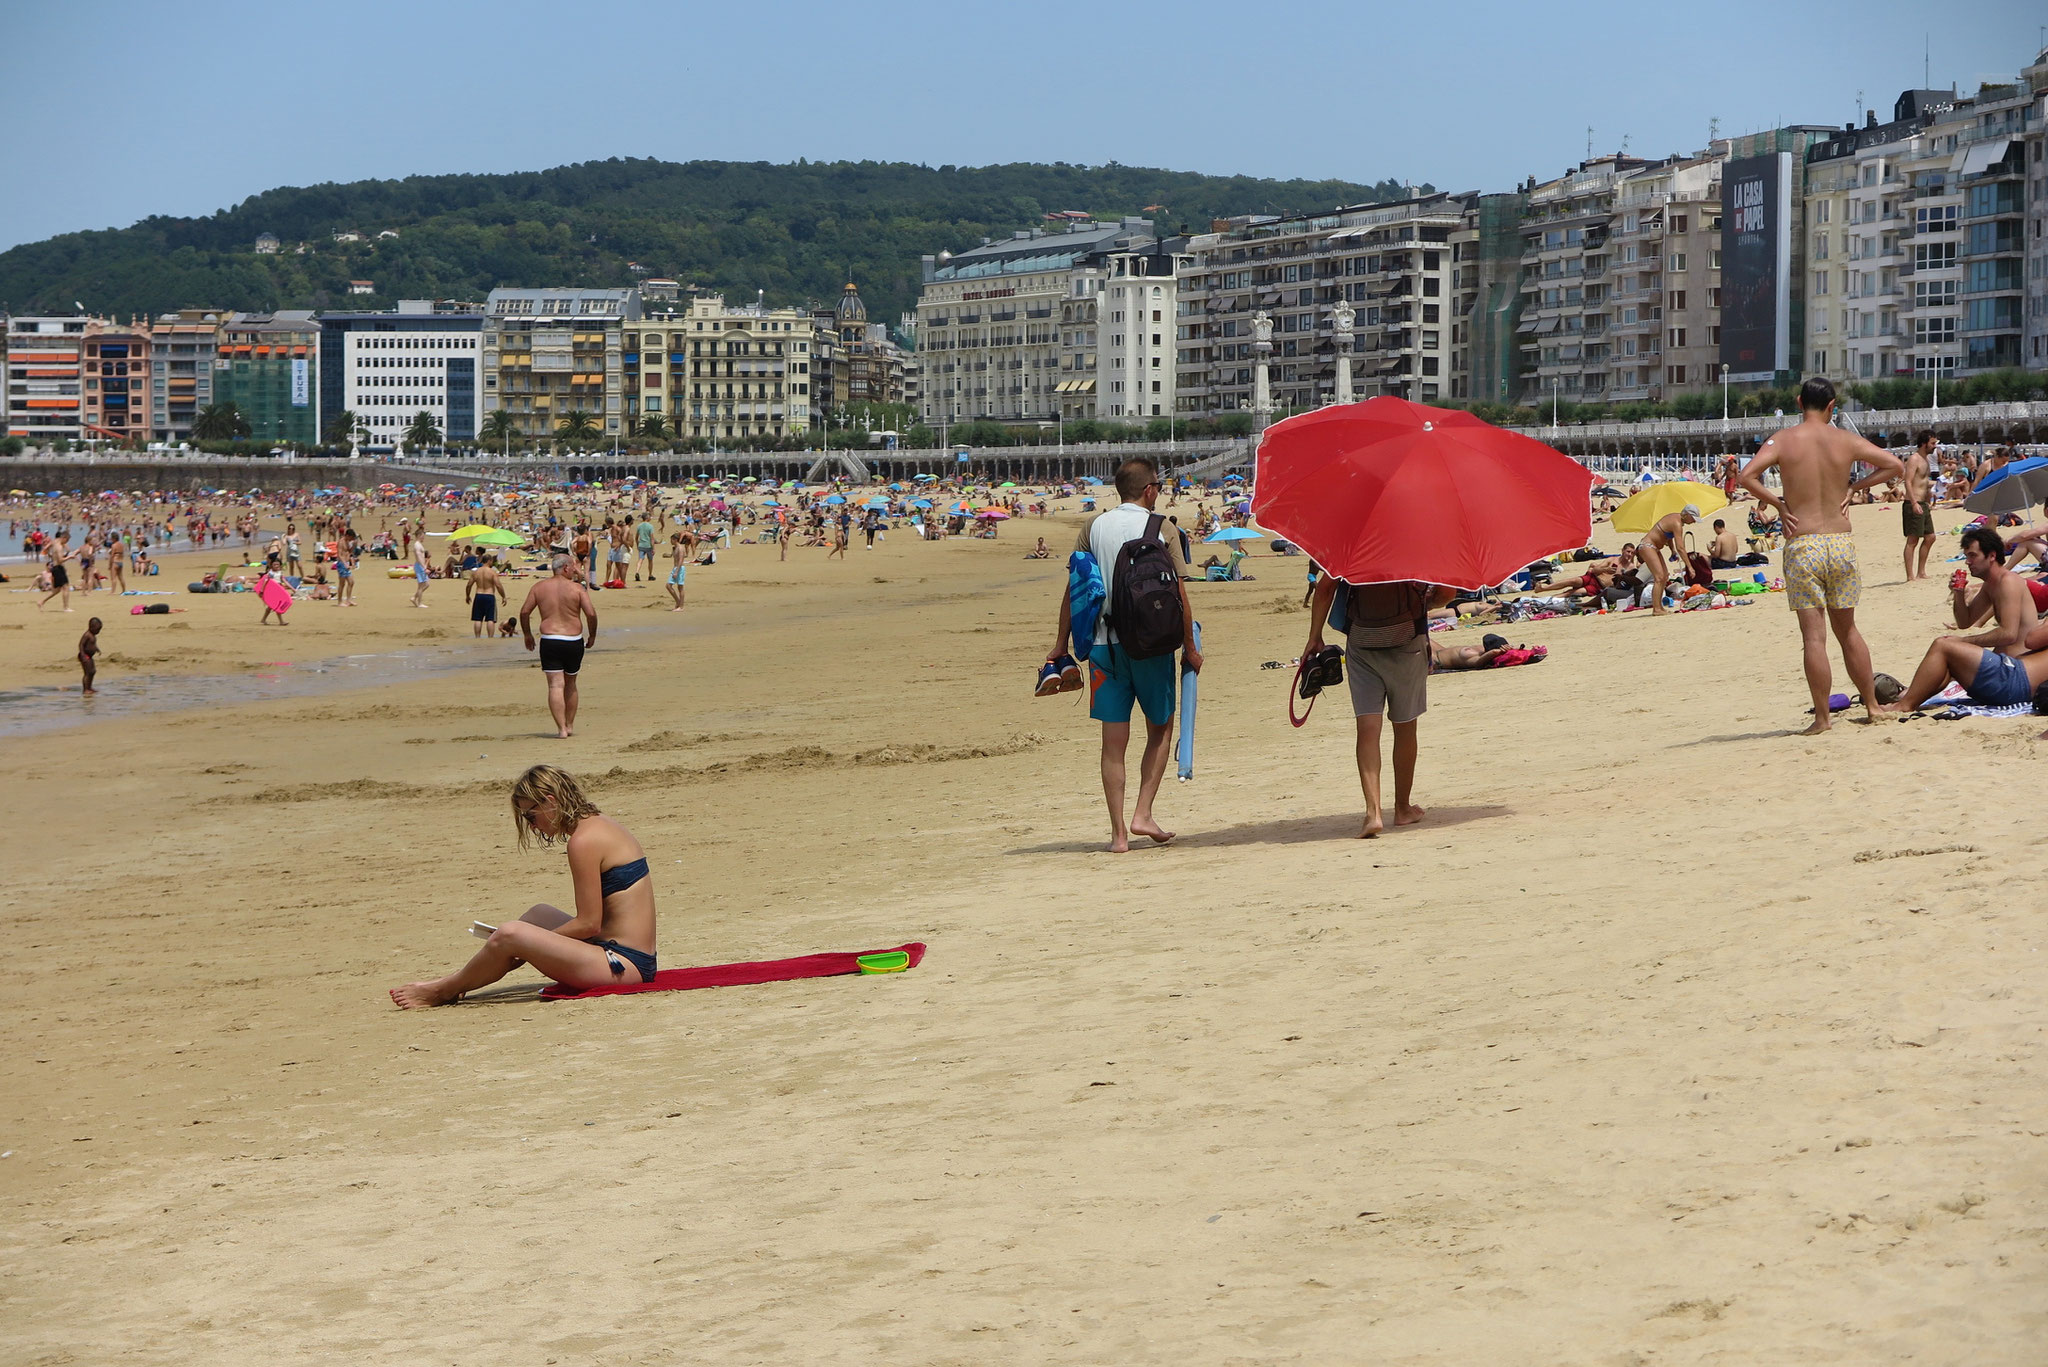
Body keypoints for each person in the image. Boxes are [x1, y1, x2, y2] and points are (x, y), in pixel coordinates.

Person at [391, 765, 657, 1008]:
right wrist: (536, 942)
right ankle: (461, 980)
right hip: (624, 953)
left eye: (531, 815)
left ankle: (443, 989)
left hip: (623, 966)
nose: (532, 826)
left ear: (551, 802)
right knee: (536, 916)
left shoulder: (583, 842)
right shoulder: (598, 823)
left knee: (511, 934)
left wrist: (534, 944)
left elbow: (589, 924)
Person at [1047, 456, 1200, 853]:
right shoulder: (1161, 527)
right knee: (1161, 728)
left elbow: (1075, 588)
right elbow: (1179, 594)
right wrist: (1191, 648)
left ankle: (1118, 836)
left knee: (1112, 742)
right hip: (1151, 645)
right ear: (1149, 489)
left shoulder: (1093, 526)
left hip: (1103, 646)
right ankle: (1143, 813)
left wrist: (1060, 644)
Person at [1738, 376, 1906, 733]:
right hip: (1840, 543)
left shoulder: (1783, 440)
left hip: (1804, 543)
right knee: (1849, 631)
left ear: (1799, 402)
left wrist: (1778, 505)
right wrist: (1855, 487)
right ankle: (1873, 706)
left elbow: (1747, 475)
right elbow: (1894, 465)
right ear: (1832, 406)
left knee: (1814, 637)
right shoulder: (1846, 440)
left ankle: (1822, 718)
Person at [1304, 575, 1456, 837]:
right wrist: (1424, 601)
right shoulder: (1416, 544)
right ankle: (1402, 808)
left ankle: (1373, 813)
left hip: (1363, 642)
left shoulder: (1351, 545)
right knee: (1405, 728)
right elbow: (1446, 593)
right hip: (1407, 642)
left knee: (1367, 728)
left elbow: (1326, 588)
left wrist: (1315, 635)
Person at [1877, 528, 2048, 713]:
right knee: (1948, 661)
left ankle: (1904, 704)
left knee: (1943, 645)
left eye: (1973, 556)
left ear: (1991, 556)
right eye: (1966, 556)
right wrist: (1959, 594)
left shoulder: (2009, 582)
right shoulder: (1992, 585)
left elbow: (2008, 634)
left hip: (2012, 671)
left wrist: (1962, 642)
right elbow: (1965, 622)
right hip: (2006, 669)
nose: (1967, 562)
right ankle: (1909, 698)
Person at [518, 554, 599, 740]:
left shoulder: (539, 587)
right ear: (565, 568)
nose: (574, 570)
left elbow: (524, 612)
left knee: (555, 685)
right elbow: (591, 614)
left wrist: (527, 634)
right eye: (572, 567)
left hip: (550, 639)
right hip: (572, 639)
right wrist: (592, 634)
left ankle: (561, 729)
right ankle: (569, 725)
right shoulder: (577, 589)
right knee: (570, 683)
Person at [1635, 506, 1698, 614]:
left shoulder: (1675, 518)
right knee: (1659, 577)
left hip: (1653, 547)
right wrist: (1690, 567)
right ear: (1687, 515)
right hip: (1647, 546)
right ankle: (1656, 609)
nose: (1693, 522)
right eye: (1693, 518)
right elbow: (1681, 548)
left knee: (1664, 576)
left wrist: (1672, 550)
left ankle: (1659, 607)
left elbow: (1668, 535)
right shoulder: (1677, 523)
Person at [1901, 430, 1938, 582]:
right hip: (1913, 503)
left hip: (1923, 503)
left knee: (1930, 537)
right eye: (1933, 443)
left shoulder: (1926, 460)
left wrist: (1932, 490)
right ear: (1924, 443)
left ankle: (1921, 571)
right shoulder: (1914, 459)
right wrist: (1914, 502)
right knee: (1912, 540)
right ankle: (1910, 576)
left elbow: (1922, 482)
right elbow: (1908, 481)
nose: (1935, 446)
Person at [467, 557, 504, 639]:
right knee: (490, 619)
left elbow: (469, 585)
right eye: (492, 561)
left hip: (479, 595)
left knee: (478, 619)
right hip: (489, 595)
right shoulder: (492, 572)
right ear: (489, 561)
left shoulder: (476, 572)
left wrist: (467, 595)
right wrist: (503, 596)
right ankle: (490, 637)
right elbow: (498, 585)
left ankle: (477, 637)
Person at [37, 533, 72, 612]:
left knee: (56, 590)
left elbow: (45, 548)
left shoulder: (54, 541)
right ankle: (66, 607)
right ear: (64, 537)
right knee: (66, 587)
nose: (66, 543)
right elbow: (60, 560)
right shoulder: (59, 547)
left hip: (55, 567)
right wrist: (69, 557)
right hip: (58, 568)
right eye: (67, 540)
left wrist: (51, 555)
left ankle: (41, 602)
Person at [665, 530, 690, 611]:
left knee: (680, 587)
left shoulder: (680, 548)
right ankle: (678, 602)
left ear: (675, 539)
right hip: (676, 568)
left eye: (671, 539)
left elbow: (681, 560)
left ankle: (681, 606)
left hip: (680, 568)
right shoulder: (675, 548)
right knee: (668, 586)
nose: (670, 541)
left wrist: (676, 571)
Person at [78, 617, 102, 695]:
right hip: (85, 656)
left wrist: (97, 649)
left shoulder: (93, 635)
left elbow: (93, 644)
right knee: (87, 673)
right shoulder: (87, 635)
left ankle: (89, 687)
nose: (98, 632)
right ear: (91, 627)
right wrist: (83, 655)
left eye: (99, 630)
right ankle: (85, 689)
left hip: (90, 656)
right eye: (97, 629)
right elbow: (81, 645)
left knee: (92, 671)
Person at [409, 530, 432, 608]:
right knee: (421, 586)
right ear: (419, 535)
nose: (423, 537)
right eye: (422, 535)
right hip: (419, 566)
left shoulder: (419, 544)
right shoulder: (417, 545)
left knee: (427, 584)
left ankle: (414, 597)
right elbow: (419, 557)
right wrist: (424, 568)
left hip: (421, 566)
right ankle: (419, 603)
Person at [634, 514, 656, 582]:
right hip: (648, 545)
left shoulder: (639, 526)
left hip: (641, 545)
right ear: (647, 518)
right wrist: (653, 548)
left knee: (640, 559)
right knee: (650, 560)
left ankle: (637, 571)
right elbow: (652, 538)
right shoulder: (650, 526)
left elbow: (636, 537)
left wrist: (637, 544)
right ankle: (650, 575)